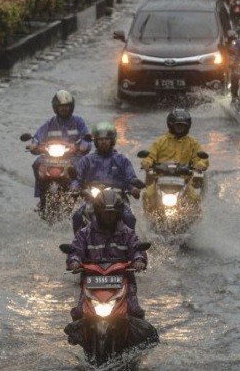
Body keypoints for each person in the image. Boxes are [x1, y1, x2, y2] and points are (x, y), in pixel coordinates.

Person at [66, 188, 147, 322]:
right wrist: (74, 261)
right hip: (92, 279)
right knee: (79, 313)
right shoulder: (85, 233)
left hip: (122, 279)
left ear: (119, 214)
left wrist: (139, 260)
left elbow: (136, 248)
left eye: (112, 214)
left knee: (134, 311)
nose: (109, 218)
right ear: (98, 213)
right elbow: (76, 250)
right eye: (105, 214)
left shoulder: (127, 233)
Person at [70, 122, 139, 234]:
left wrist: (134, 189)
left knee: (129, 218)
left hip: (118, 200)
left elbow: (130, 178)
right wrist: (74, 188)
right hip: (93, 199)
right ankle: (78, 246)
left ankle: (132, 245)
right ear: (95, 141)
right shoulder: (87, 160)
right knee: (77, 216)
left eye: (107, 139)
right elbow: (77, 179)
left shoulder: (122, 160)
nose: (103, 142)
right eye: (100, 139)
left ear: (112, 141)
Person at [28, 90, 91, 205]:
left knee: (82, 165)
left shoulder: (79, 122)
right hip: (51, 158)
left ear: (71, 106)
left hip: (72, 157)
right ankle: (41, 194)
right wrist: (34, 145)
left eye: (66, 106)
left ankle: (80, 192)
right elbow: (37, 137)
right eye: (61, 106)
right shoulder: (49, 123)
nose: (64, 109)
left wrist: (81, 145)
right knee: (37, 163)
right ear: (55, 107)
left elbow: (87, 138)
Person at [140, 108, 209, 213]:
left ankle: (193, 221)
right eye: (178, 125)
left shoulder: (193, 143)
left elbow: (201, 159)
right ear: (171, 125)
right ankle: (149, 219)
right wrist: (147, 163)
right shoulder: (160, 142)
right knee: (147, 195)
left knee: (194, 199)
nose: (180, 128)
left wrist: (200, 165)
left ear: (187, 126)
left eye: (182, 125)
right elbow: (150, 156)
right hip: (160, 181)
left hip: (184, 182)